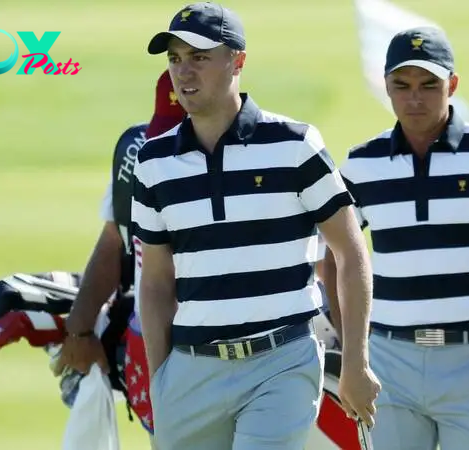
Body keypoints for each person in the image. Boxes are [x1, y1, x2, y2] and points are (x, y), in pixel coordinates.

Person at [133, 3, 380, 449]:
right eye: (175, 59)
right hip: (190, 371)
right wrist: (161, 378)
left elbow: (349, 250)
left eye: (199, 57)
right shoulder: (153, 162)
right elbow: (154, 280)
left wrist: (357, 361)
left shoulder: (295, 144)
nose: (184, 72)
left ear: (238, 61)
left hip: (281, 362)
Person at [323, 25, 469, 450]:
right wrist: (351, 348)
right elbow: (334, 257)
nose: (415, 98)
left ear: (453, 84)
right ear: (385, 86)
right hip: (390, 361)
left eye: (430, 85)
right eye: (402, 85)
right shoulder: (362, 163)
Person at [51, 68, 187, 445]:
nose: (172, 147)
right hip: (151, 346)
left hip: (224, 351)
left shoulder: (252, 161)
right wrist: (79, 328)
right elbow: (114, 241)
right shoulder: (139, 154)